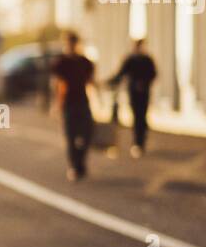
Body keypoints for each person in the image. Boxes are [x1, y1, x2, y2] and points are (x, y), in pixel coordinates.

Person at [49, 31, 96, 181]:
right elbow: (56, 84)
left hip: (83, 101)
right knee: (71, 137)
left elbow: (91, 81)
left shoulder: (85, 61)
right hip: (68, 103)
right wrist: (56, 104)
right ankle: (75, 167)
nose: (71, 46)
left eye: (73, 43)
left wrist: (99, 99)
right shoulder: (60, 62)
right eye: (69, 43)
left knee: (88, 134)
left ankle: (80, 162)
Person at [107, 39, 158, 158]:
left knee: (142, 116)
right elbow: (120, 74)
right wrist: (110, 82)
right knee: (136, 116)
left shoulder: (147, 60)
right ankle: (138, 142)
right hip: (134, 93)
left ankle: (140, 141)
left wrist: (144, 83)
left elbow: (153, 74)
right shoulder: (130, 59)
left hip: (144, 93)